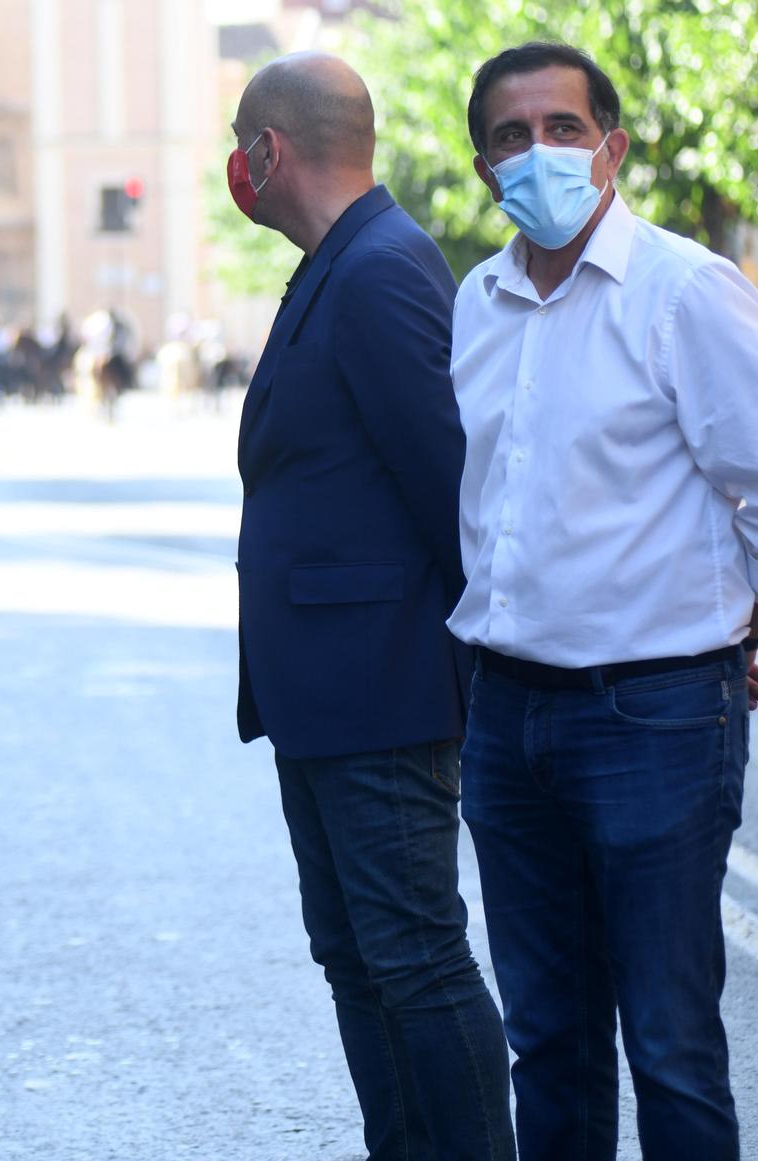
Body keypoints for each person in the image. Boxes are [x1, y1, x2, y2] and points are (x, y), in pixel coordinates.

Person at [450, 43, 758, 1159]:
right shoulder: (477, 302)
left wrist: (721, 636)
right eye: (510, 136)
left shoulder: (687, 292)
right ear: (481, 166)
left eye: (560, 127)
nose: (538, 152)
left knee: (668, 1041)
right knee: (545, 1039)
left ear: (611, 146)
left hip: (652, 721)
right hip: (504, 721)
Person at [228, 52, 515, 1160]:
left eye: (238, 152)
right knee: (357, 954)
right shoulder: (333, 264)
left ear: (268, 152)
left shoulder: (382, 268)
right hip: (324, 692)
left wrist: (487, 669)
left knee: (413, 956)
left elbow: (449, 487)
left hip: (380, 690)